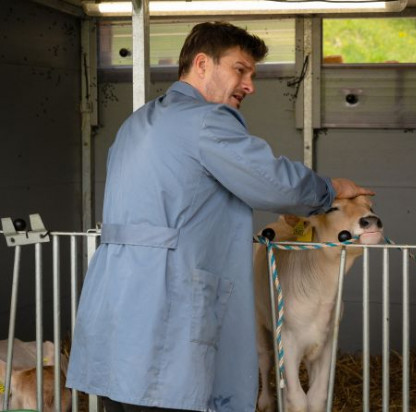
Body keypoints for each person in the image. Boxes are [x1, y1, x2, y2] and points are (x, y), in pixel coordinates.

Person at [66, 21, 372, 412]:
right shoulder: (206, 120)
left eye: (252, 75)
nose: (249, 85)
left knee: (125, 399)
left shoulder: (135, 124)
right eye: (240, 70)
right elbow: (273, 182)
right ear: (202, 64)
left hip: (115, 310)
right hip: (167, 311)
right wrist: (329, 189)